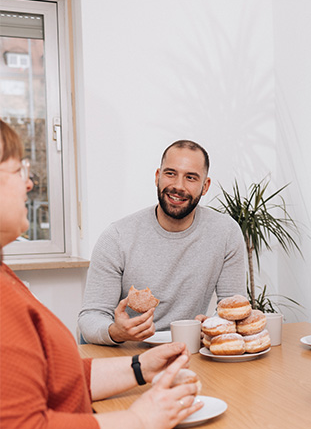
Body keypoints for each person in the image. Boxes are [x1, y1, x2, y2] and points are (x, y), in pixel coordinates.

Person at [0, 119, 203, 429]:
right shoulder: (118, 235)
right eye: (19, 170)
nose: (29, 184)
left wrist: (139, 367)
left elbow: (53, 377)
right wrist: (141, 419)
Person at [78, 140, 246, 345]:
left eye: (191, 178)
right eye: (170, 174)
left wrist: (214, 325)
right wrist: (115, 331)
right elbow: (90, 317)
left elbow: (234, 310)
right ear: (157, 177)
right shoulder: (117, 237)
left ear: (205, 186)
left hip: (186, 350)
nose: (178, 186)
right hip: (127, 353)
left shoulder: (226, 233)